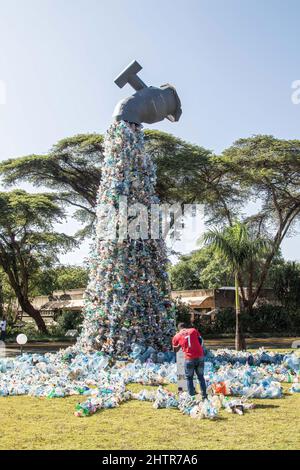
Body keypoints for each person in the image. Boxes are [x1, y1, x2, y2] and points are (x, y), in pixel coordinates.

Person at [172, 322, 207, 399]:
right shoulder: (193, 330)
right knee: (201, 377)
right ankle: (204, 396)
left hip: (189, 358)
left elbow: (175, 350)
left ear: (179, 329)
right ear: (186, 327)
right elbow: (201, 341)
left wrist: (180, 344)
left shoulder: (177, 336)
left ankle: (192, 398)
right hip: (200, 356)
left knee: (189, 378)